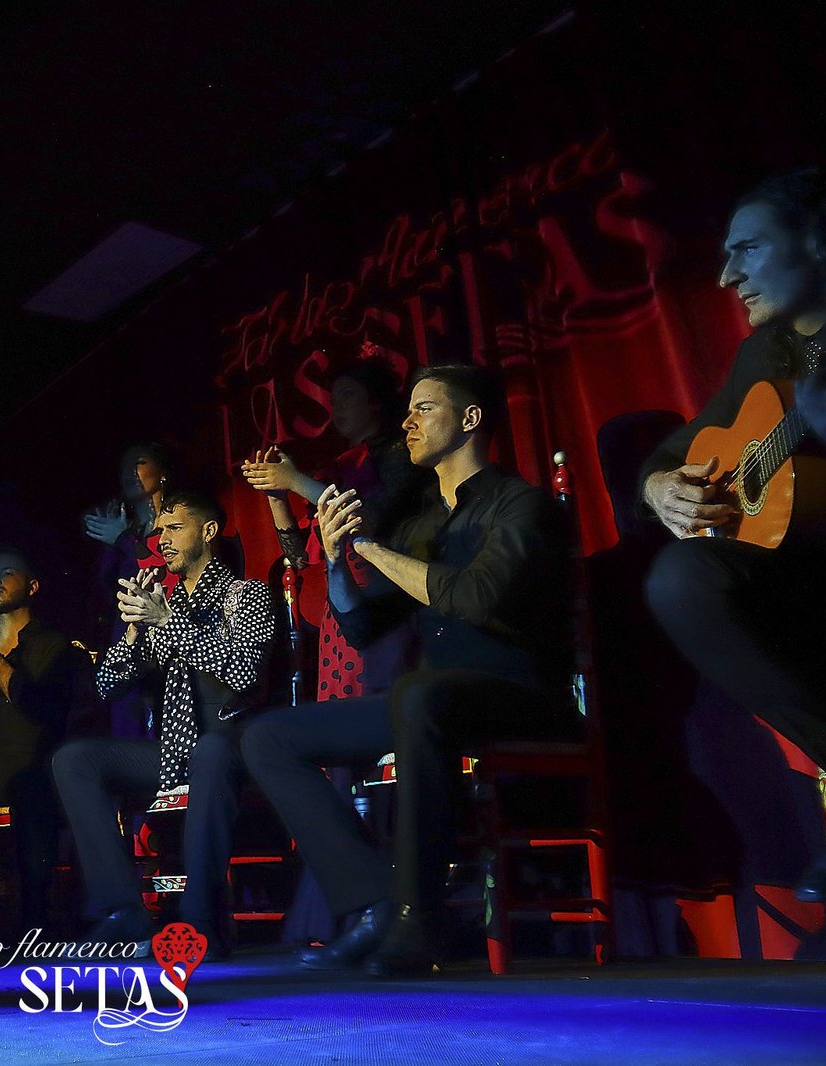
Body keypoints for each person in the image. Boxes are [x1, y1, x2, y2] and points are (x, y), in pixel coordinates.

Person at [242, 365, 576, 977]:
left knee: (419, 694)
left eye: (424, 408)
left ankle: (417, 920)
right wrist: (339, 563)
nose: (407, 420)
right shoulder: (424, 523)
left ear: (470, 420)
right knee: (270, 736)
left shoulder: (520, 505)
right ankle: (374, 901)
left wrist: (370, 547)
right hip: (431, 704)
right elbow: (365, 628)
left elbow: (473, 598)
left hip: (519, 692)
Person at [640, 168, 826, 902]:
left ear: (819, 245)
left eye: (748, 251)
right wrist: (659, 486)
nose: (728, 276)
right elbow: (673, 453)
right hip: (802, 590)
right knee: (679, 577)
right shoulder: (763, 358)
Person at [53, 489, 274, 951]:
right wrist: (135, 631)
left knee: (212, 751)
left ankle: (198, 920)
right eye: (159, 529)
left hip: (228, 742)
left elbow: (244, 672)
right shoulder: (163, 604)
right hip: (176, 750)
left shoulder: (245, 594)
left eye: (175, 528)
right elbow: (107, 686)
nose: (163, 538)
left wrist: (168, 621)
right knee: (76, 759)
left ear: (208, 532)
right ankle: (124, 910)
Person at [241, 359, 430, 700]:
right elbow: (299, 559)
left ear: (375, 400)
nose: (336, 408)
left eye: (347, 396)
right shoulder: (343, 466)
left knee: (385, 713)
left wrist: (296, 481)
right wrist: (277, 495)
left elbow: (368, 517)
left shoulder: (405, 455)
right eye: (333, 399)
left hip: (388, 602)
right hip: (342, 606)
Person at [0, 546, 84, 932]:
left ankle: (34, 927)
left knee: (30, 789)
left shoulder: (51, 645)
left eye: (7, 572)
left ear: (32, 586)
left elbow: (41, 707)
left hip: (30, 773)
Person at [82, 442, 177, 737]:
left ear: (162, 474)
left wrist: (123, 539)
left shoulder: (176, 524)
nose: (129, 472)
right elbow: (105, 590)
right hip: (125, 640)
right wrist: (111, 544)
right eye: (124, 467)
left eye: (139, 462)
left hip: (167, 638)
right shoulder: (127, 530)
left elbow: (168, 575)